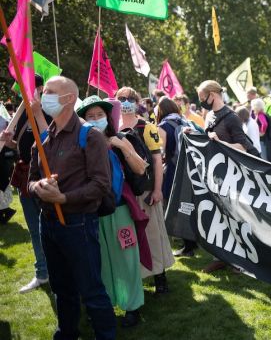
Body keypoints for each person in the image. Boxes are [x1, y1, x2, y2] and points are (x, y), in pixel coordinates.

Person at [28, 76, 116, 339]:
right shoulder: (43, 139)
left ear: (68, 99)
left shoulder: (90, 136)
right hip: (48, 223)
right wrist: (39, 187)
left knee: (91, 289)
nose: (44, 96)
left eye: (51, 92)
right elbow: (29, 180)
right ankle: (66, 332)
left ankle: (105, 335)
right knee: (61, 287)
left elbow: (101, 185)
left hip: (79, 223)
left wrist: (63, 198)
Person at [77, 95, 147, 328]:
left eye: (100, 115)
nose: (96, 119)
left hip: (120, 211)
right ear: (83, 119)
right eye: (90, 116)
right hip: (91, 212)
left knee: (126, 259)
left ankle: (132, 306)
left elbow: (140, 169)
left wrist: (122, 147)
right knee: (100, 263)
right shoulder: (81, 142)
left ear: (108, 117)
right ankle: (104, 305)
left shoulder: (121, 139)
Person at [117, 87, 175, 293]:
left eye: (129, 99)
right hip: (123, 193)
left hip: (146, 190)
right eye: (121, 98)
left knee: (152, 233)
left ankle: (160, 278)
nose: (125, 102)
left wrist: (157, 189)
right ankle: (137, 277)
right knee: (130, 237)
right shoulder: (111, 128)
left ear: (136, 102)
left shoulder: (147, 127)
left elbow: (158, 160)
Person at [199, 80, 259, 273]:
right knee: (218, 215)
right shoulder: (209, 115)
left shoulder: (231, 118)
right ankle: (221, 256)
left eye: (202, 98)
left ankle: (242, 260)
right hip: (216, 174)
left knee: (236, 217)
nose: (201, 101)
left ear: (212, 95)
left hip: (233, 175)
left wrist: (220, 142)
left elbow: (244, 147)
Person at [0, 75, 50, 293]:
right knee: (33, 227)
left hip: (47, 175)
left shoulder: (48, 111)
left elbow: (52, 140)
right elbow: (20, 143)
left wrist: (38, 113)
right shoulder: (20, 113)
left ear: (39, 88)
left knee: (54, 227)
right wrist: (7, 138)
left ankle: (61, 271)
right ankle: (42, 273)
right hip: (24, 175)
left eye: (24, 86)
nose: (20, 92)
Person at [157, 97, 203, 258]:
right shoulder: (185, 121)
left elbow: (160, 152)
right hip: (190, 168)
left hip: (173, 170)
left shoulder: (163, 126)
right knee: (189, 204)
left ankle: (188, 246)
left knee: (176, 205)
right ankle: (195, 241)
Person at [252, 98, 271, 162]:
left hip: (263, 140)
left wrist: (262, 133)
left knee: (265, 159)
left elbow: (264, 124)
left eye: (253, 107)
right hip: (266, 140)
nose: (253, 109)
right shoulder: (262, 114)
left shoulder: (260, 115)